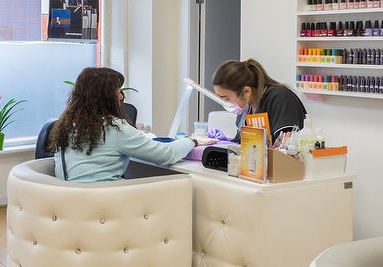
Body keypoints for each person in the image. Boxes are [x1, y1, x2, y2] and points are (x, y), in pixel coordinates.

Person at [47, 66, 199, 182]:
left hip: (70, 202)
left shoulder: (68, 125)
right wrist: (192, 140)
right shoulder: (115, 129)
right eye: (118, 91)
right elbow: (167, 155)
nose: (121, 96)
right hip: (106, 203)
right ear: (106, 97)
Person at [212, 58, 307, 143]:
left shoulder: (280, 99)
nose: (227, 103)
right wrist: (227, 143)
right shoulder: (247, 106)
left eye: (227, 98)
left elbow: (286, 147)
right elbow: (244, 145)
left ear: (246, 91)